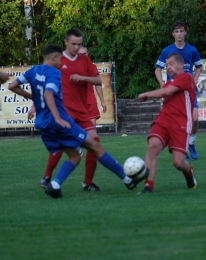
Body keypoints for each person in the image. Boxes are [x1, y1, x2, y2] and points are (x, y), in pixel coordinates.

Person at [8, 44, 148, 198]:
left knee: (74, 155)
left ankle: (54, 184)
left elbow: (13, 86)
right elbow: (48, 94)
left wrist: (34, 98)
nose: (61, 62)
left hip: (44, 126)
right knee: (95, 146)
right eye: (60, 59)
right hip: (60, 122)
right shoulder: (54, 73)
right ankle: (127, 179)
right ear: (54, 57)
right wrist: (57, 117)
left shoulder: (33, 70)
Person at [36, 29, 106, 192]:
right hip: (65, 110)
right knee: (63, 144)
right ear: (67, 43)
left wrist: (99, 97)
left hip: (84, 108)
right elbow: (46, 83)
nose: (77, 49)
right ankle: (47, 176)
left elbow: (98, 81)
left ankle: (88, 182)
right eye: (74, 45)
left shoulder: (86, 63)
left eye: (80, 46)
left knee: (94, 141)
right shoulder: (59, 63)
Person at [138, 53, 197, 194]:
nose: (168, 67)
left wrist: (146, 94)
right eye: (166, 65)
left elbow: (167, 92)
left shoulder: (186, 77)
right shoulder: (169, 82)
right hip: (163, 121)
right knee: (153, 146)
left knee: (178, 162)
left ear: (181, 65)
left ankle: (188, 172)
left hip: (180, 124)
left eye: (171, 64)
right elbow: (166, 92)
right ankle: (148, 186)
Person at [155, 20, 202, 161]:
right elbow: (158, 69)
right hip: (174, 92)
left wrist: (193, 81)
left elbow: (199, 67)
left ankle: (191, 143)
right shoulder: (167, 51)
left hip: (190, 90)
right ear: (173, 34)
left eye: (181, 31)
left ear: (185, 32)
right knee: (177, 123)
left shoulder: (192, 50)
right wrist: (163, 84)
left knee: (194, 119)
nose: (179, 34)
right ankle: (183, 150)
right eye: (176, 31)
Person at [78, 46, 107, 126]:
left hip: (90, 100)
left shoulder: (92, 67)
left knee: (92, 125)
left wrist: (102, 101)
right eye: (80, 54)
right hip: (77, 101)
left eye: (84, 54)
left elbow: (98, 84)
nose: (83, 56)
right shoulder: (71, 67)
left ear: (88, 54)